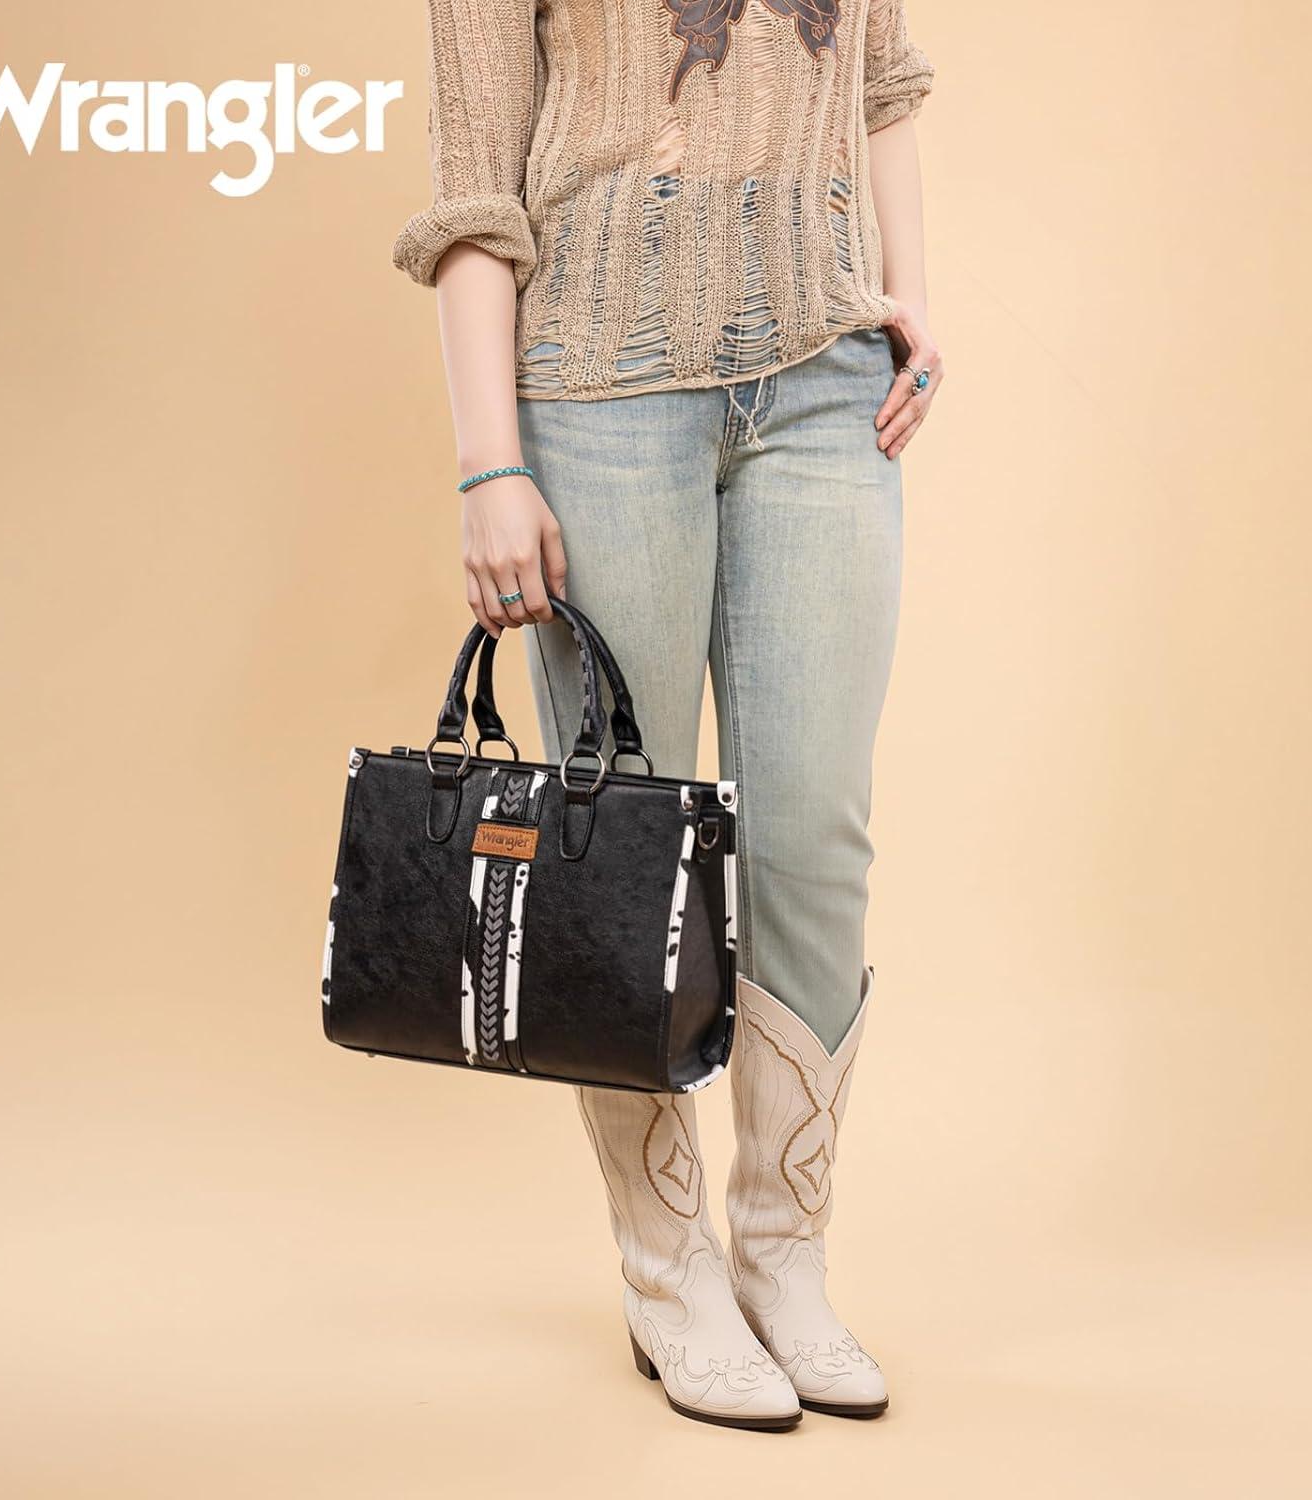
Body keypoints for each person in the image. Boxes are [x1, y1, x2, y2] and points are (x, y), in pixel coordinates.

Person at [393, 0, 940, 1431]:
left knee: (814, 835)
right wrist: (488, 465)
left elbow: (881, 82)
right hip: (599, 394)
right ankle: (667, 1266)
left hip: (828, 383)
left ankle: (783, 1253)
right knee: (624, 849)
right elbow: (474, 185)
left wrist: (908, 296)